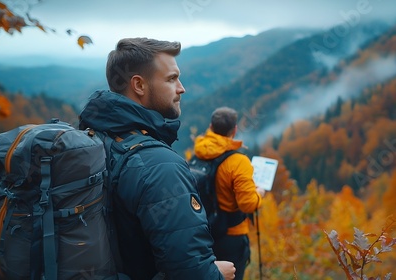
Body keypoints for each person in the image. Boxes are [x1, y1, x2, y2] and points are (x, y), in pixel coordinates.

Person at [79, 38, 235, 280]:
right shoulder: (161, 166)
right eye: (172, 79)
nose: (181, 88)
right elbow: (190, 273)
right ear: (139, 85)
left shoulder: (93, 139)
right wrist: (215, 274)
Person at [193, 107, 266, 280]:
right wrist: (260, 193)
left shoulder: (199, 151)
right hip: (231, 235)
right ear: (234, 130)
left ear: (211, 127)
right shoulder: (238, 161)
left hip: (203, 230)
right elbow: (247, 204)